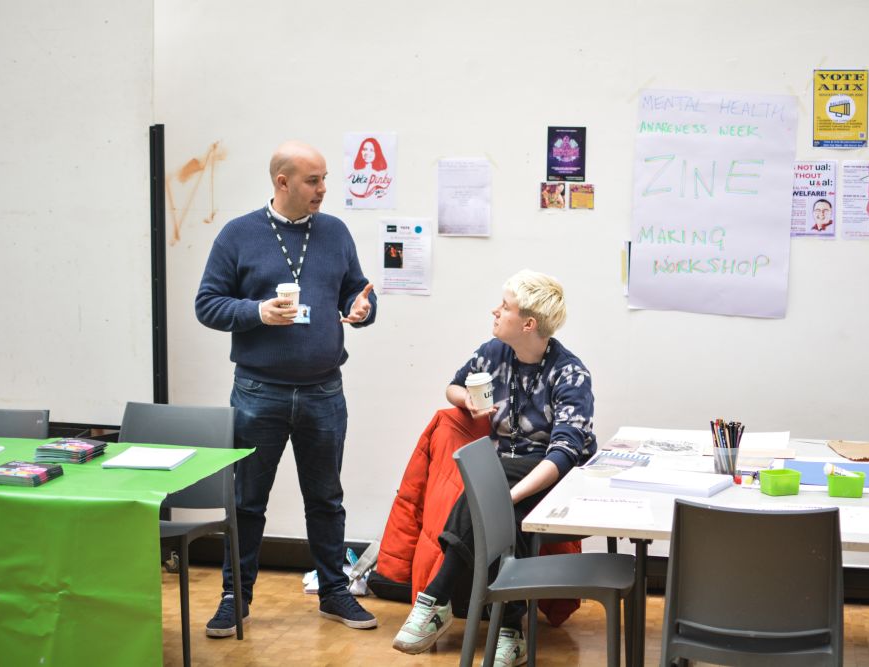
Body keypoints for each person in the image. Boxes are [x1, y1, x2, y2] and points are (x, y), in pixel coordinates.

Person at [195, 140, 379, 638]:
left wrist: (363, 309)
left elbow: (356, 290)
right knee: (249, 501)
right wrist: (256, 312)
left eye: (323, 180)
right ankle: (237, 597)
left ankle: (334, 592)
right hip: (259, 392)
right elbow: (207, 304)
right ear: (282, 182)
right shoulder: (238, 235)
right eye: (313, 180)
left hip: (323, 391)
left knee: (326, 499)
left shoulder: (336, 232)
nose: (323, 189)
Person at [391, 270, 595, 667]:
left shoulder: (570, 373)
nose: (495, 311)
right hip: (508, 470)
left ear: (529, 324)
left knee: (496, 492)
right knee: (510, 514)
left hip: (559, 478)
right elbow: (452, 385)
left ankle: (436, 598)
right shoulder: (494, 351)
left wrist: (507, 497)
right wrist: (466, 400)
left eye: (505, 306)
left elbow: (563, 455)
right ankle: (510, 631)